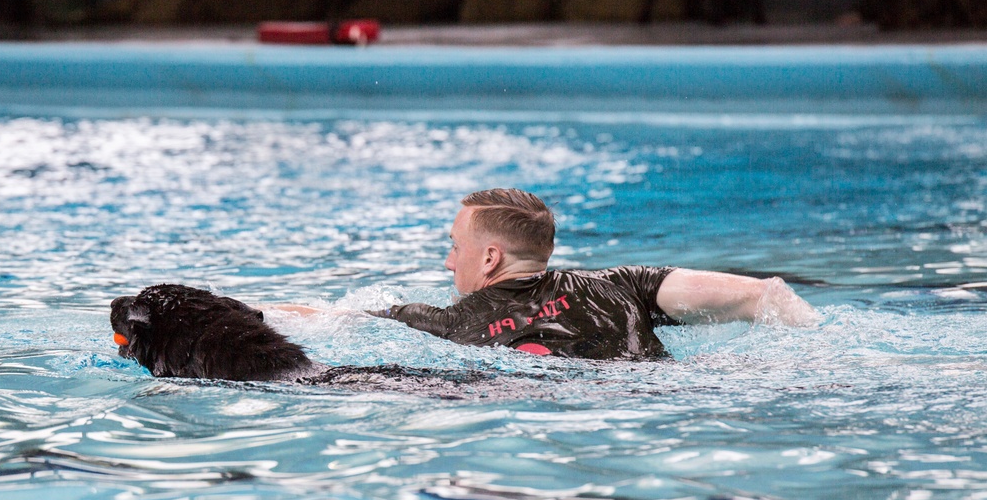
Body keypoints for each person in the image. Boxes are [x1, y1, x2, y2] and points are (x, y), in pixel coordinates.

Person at [279, 188, 819, 361]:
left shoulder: (438, 323)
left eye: (454, 246)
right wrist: (818, 345)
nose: (448, 261)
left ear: (490, 257)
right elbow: (765, 295)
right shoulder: (621, 285)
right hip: (668, 398)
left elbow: (323, 319)